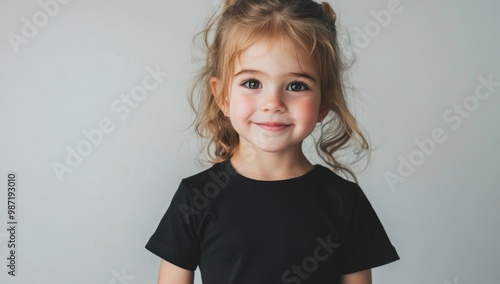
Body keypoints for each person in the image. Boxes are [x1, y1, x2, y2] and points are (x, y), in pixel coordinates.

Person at [145, 0, 400, 283]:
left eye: (296, 86)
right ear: (222, 97)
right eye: (252, 83)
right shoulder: (195, 198)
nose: (273, 103)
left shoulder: (344, 202)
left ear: (324, 101)